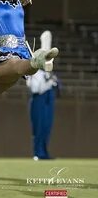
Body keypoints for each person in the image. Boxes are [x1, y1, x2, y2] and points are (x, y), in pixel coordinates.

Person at [26, 31, 60, 160]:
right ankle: (38, 153)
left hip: (48, 101)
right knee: (38, 127)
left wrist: (53, 80)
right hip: (38, 101)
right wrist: (46, 80)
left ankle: (44, 152)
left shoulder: (50, 73)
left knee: (47, 128)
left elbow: (57, 89)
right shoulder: (35, 72)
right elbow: (35, 89)